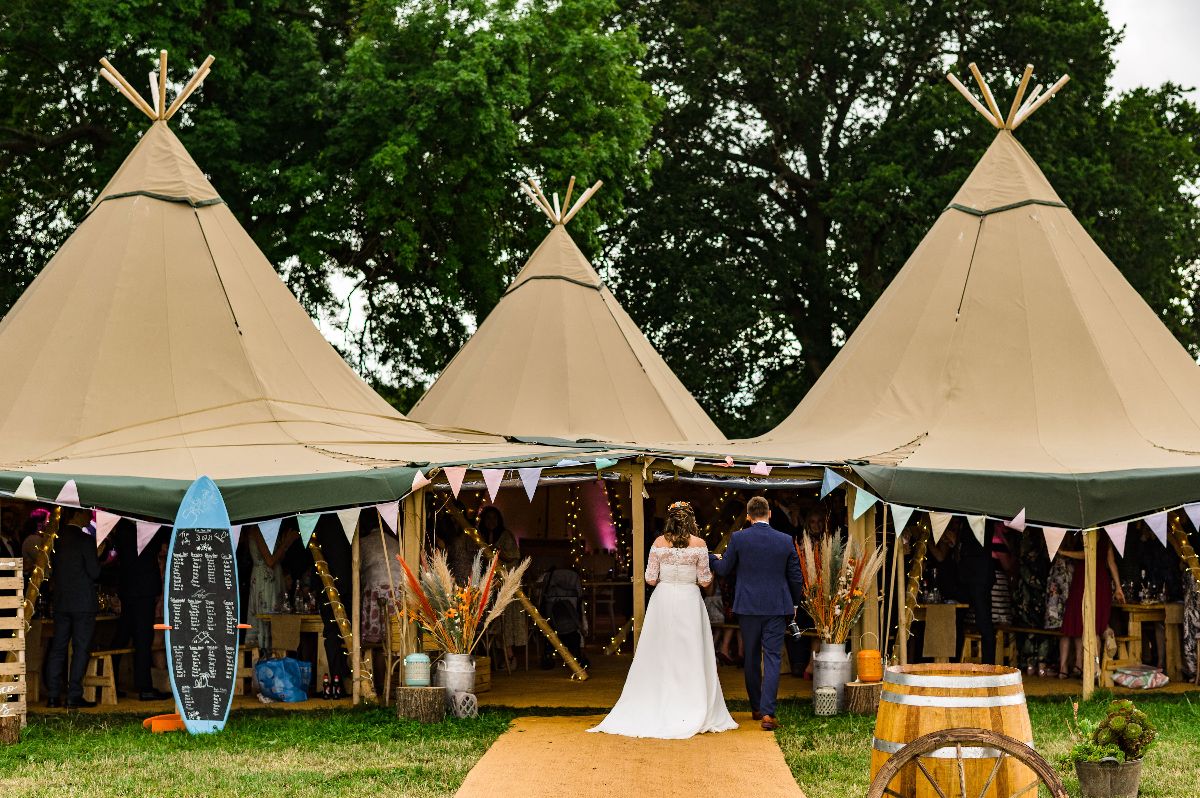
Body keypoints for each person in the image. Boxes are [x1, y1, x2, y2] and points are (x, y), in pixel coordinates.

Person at [588, 501, 736, 738]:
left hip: (664, 599)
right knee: (689, 651)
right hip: (689, 599)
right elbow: (706, 581)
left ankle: (660, 699)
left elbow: (650, 579)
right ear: (690, 520)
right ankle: (690, 702)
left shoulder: (658, 543)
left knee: (661, 650)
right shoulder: (699, 544)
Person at [711, 496, 804, 731]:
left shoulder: (739, 538)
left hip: (748, 607)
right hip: (776, 606)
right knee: (772, 657)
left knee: (751, 657)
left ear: (748, 515)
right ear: (770, 513)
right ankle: (768, 713)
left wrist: (711, 557)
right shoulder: (785, 540)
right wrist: (794, 603)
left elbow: (723, 569)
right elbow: (796, 577)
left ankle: (755, 707)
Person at [44, 507, 100, 708]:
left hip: (61, 601)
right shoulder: (85, 541)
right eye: (86, 513)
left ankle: (52, 695)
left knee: (58, 648)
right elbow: (94, 572)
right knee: (80, 648)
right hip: (83, 602)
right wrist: (99, 557)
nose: (89, 516)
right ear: (76, 514)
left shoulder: (55, 540)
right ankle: (74, 694)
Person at [109, 519, 171, 700]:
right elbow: (159, 545)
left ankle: (113, 679)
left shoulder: (121, 527)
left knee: (123, 634)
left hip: (128, 586)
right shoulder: (150, 527)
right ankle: (144, 687)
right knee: (143, 638)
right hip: (144, 587)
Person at [1058, 531, 1125, 679]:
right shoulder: (1105, 539)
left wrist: (1064, 552)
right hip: (1097, 581)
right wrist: (1118, 587)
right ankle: (1107, 634)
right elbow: (1111, 562)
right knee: (1093, 625)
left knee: (1092, 627)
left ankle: (1095, 667)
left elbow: (1087, 554)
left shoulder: (1089, 535)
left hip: (1088, 580)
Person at [478, 507, 526, 670]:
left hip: (504, 586)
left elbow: (515, 556)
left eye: (494, 518)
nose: (491, 521)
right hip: (485, 587)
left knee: (503, 622)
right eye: (488, 518)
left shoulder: (506, 536)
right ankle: (489, 659)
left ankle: (509, 657)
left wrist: (498, 553)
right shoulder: (479, 536)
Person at [245, 524, 294, 652]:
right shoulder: (256, 529)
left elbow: (278, 558)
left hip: (274, 578)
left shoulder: (272, 530)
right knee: (266, 616)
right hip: (264, 580)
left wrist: (285, 544)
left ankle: (277, 654)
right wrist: (286, 543)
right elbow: (270, 560)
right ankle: (264, 653)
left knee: (277, 616)